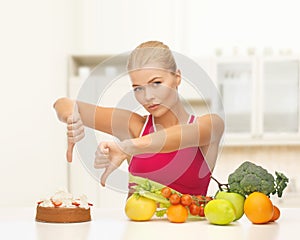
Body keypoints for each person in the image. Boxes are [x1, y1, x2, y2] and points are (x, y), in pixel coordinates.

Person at [53, 41, 224, 196]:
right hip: (136, 230)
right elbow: (63, 104)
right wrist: (71, 117)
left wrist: (128, 147)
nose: (147, 96)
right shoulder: (134, 126)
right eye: (138, 89)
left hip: (192, 231)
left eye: (156, 83)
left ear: (177, 77)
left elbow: (183, 135)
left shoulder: (210, 125)